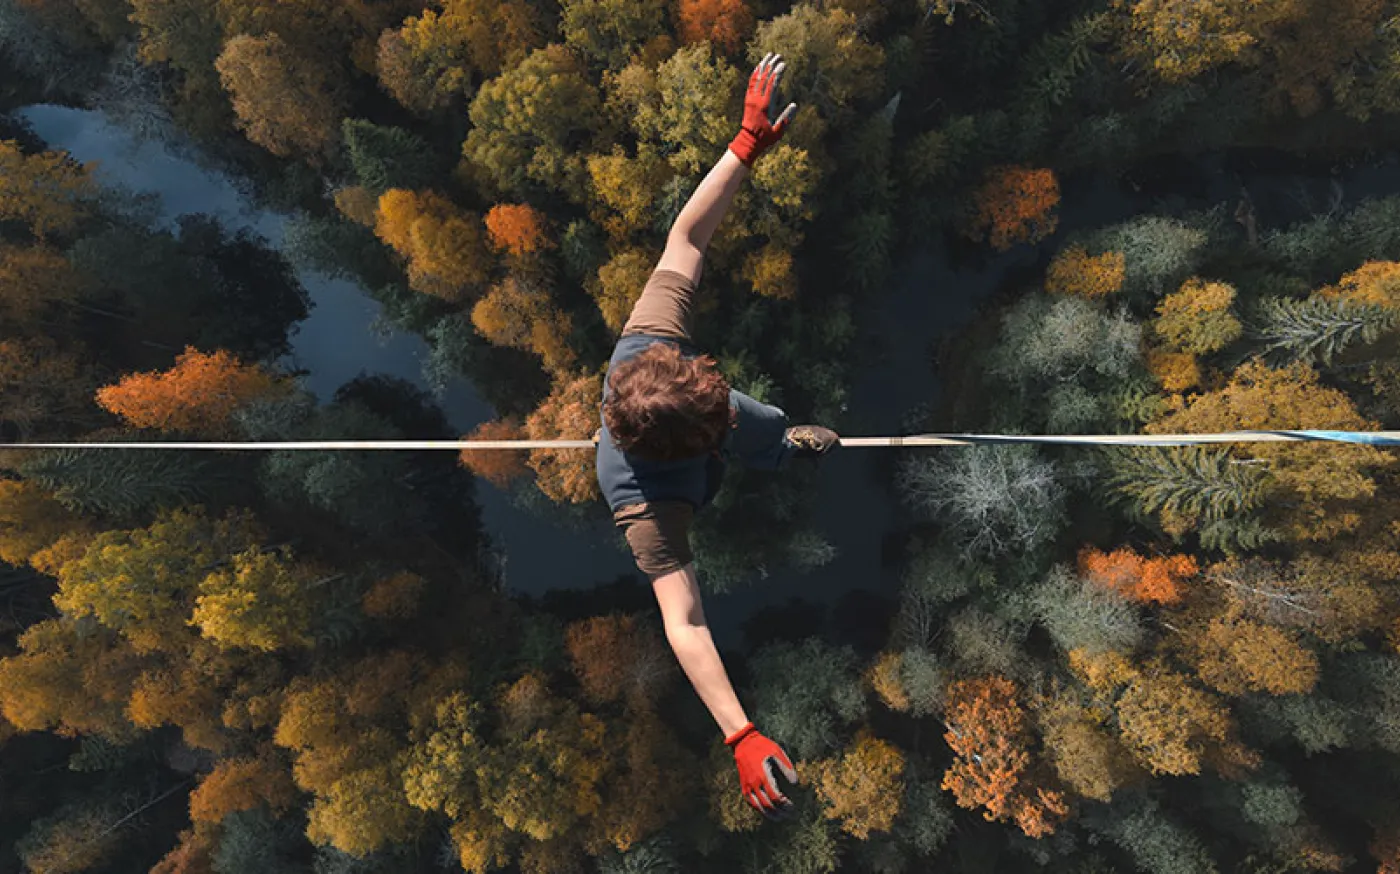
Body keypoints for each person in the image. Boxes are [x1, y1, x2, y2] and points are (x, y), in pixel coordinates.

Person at [595, 53, 841, 822]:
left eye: (714, 392)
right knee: (749, 429)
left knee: (761, 423)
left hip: (674, 425)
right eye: (717, 420)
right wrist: (740, 733)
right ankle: (769, 447)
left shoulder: (647, 350)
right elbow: (686, 623)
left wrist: (743, 147)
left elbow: (688, 238)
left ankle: (780, 443)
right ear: (694, 447)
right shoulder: (649, 513)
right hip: (680, 481)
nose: (723, 402)